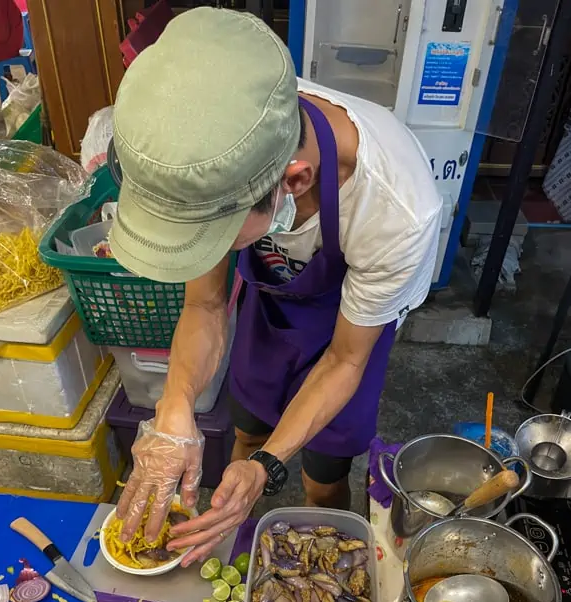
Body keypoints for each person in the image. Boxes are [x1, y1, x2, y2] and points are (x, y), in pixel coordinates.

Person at [110, 8, 442, 566]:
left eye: (213, 236)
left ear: (294, 180)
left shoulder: (395, 212)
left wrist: (270, 466)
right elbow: (207, 301)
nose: (209, 249)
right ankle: (239, 531)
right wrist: (174, 409)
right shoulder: (221, 134)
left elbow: (343, 360)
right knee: (248, 425)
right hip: (273, 307)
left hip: (349, 330)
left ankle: (325, 544)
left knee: (320, 471)